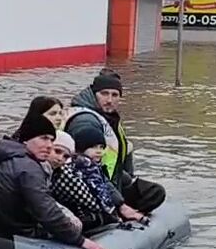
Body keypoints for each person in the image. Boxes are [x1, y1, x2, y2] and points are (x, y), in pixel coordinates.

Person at [0, 111, 109, 249]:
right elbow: (45, 209)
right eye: (44, 138)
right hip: (16, 235)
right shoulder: (29, 167)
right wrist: (80, 241)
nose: (49, 145)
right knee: (78, 224)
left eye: (51, 140)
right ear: (26, 139)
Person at [64, 70, 166, 214]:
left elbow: (113, 159)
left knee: (154, 192)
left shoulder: (108, 118)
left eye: (115, 95)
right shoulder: (86, 121)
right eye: (104, 94)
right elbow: (87, 168)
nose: (109, 100)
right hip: (92, 183)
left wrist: (128, 179)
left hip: (112, 178)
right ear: (94, 94)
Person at [69, 127, 147, 224]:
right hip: (85, 216)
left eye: (101, 147)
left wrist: (120, 204)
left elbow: (106, 186)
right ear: (81, 148)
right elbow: (99, 193)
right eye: (93, 147)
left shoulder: (94, 167)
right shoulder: (82, 169)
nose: (99, 151)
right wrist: (114, 215)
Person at [49, 131, 108, 231]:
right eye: (57, 151)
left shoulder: (62, 171)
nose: (60, 158)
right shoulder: (65, 173)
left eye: (65, 156)